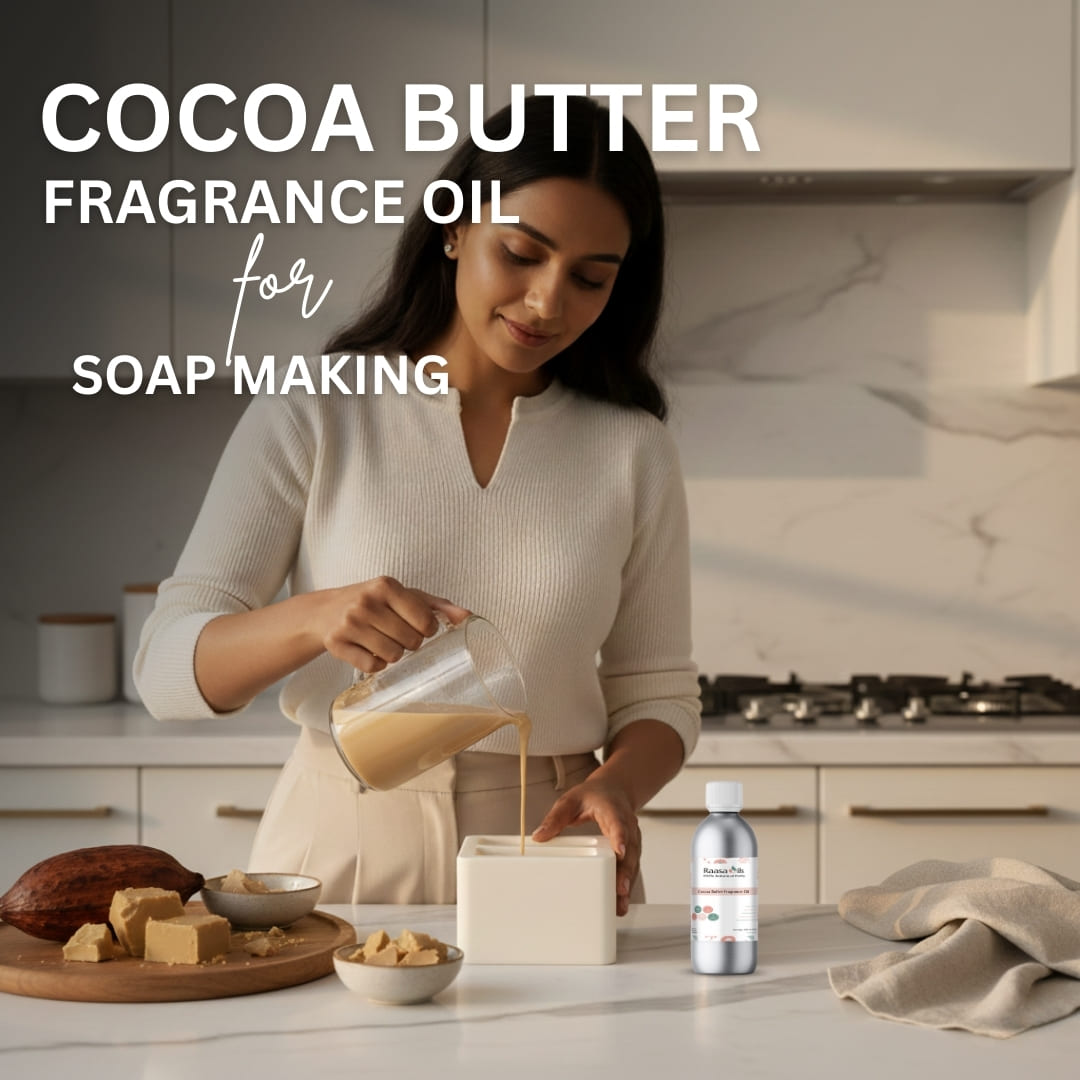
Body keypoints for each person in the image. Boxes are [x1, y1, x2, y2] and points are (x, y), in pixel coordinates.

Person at [135, 95, 701, 916]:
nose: (547, 302)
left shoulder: (630, 449)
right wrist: (313, 619)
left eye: (589, 279)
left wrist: (619, 785)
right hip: (344, 837)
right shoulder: (317, 412)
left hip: (550, 842)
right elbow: (163, 672)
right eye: (520, 253)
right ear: (453, 228)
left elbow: (659, 694)